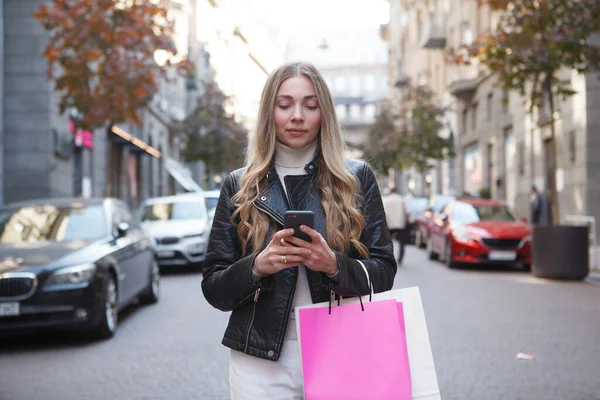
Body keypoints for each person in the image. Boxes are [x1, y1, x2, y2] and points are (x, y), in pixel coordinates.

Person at [201, 61, 397, 399]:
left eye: (310, 105)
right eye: (284, 104)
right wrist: (258, 266)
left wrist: (334, 265)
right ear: (269, 112)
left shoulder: (356, 178)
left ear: (325, 113)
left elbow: (384, 271)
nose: (297, 115)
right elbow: (215, 288)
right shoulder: (239, 184)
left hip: (341, 344)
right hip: (259, 355)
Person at [383, 187, 409, 264]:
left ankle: (389, 258)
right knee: (402, 243)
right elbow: (407, 212)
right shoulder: (401, 200)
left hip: (389, 224)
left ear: (390, 192)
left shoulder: (387, 200)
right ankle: (400, 259)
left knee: (388, 243)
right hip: (400, 224)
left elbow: (384, 213)